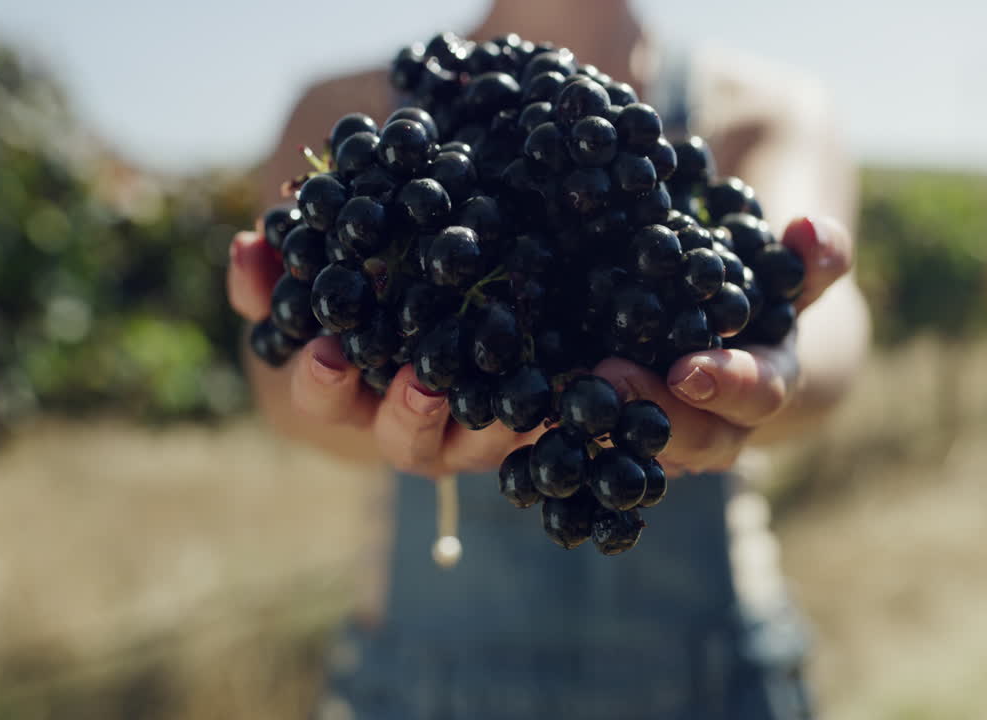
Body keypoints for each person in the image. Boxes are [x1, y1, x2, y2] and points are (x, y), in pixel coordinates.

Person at [227, 1, 869, 716]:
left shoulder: (770, 108)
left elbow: (830, 324)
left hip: (714, 683)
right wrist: (336, 388)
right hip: (418, 686)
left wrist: (777, 369)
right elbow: (282, 381)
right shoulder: (340, 110)